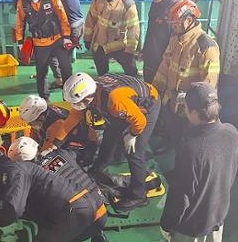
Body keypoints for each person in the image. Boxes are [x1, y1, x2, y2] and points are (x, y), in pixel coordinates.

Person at [146, 82, 238, 242]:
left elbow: (182, 195)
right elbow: (232, 169)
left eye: (186, 107)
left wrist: (168, 225)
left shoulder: (192, 148)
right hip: (219, 210)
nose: (184, 110)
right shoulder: (231, 132)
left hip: (192, 221)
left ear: (195, 113)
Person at [51, 72, 160, 211]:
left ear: (88, 97)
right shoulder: (90, 92)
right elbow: (71, 121)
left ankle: (139, 196)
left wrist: (132, 135)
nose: (76, 106)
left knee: (134, 152)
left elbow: (139, 121)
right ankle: (99, 168)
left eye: (78, 103)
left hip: (148, 105)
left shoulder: (115, 102)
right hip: (127, 103)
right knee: (110, 135)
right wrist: (56, 144)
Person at [7, 137, 109, 242]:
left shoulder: (30, 178)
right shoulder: (62, 153)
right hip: (102, 213)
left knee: (38, 209)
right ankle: (98, 236)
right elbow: (77, 151)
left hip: (81, 228)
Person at [152, 0, 220, 147]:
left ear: (189, 20)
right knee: (171, 125)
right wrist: (155, 88)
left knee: (186, 138)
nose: (173, 27)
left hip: (190, 108)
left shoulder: (206, 46)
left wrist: (187, 98)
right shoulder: (175, 39)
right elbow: (165, 64)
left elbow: (209, 83)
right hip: (171, 100)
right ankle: (169, 141)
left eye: (176, 24)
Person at [15, 0, 74, 100]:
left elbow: (62, 17)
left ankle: (69, 98)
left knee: (66, 68)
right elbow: (20, 22)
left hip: (58, 39)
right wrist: (20, 42)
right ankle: (44, 100)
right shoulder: (22, 3)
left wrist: (66, 37)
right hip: (39, 42)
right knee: (41, 72)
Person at [84, 0, 140, 77]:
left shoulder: (128, 5)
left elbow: (133, 30)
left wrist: (130, 50)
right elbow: (91, 20)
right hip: (100, 44)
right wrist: (87, 39)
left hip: (119, 45)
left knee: (131, 71)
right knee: (102, 73)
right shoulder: (97, 0)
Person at [18, 0, 63, 89]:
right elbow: (20, 17)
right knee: (46, 61)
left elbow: (60, 14)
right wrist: (20, 41)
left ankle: (59, 79)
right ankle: (53, 84)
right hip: (39, 35)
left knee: (53, 58)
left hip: (53, 33)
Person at [18, 94, 98, 165]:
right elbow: (34, 134)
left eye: (31, 123)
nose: (29, 125)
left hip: (84, 147)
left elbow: (46, 150)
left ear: (41, 118)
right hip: (71, 139)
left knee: (49, 162)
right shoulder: (44, 112)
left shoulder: (55, 126)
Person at [142, 0, 178, 83]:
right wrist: (145, 50)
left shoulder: (175, 10)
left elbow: (175, 42)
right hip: (150, 57)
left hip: (163, 62)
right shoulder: (155, 4)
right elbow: (151, 30)